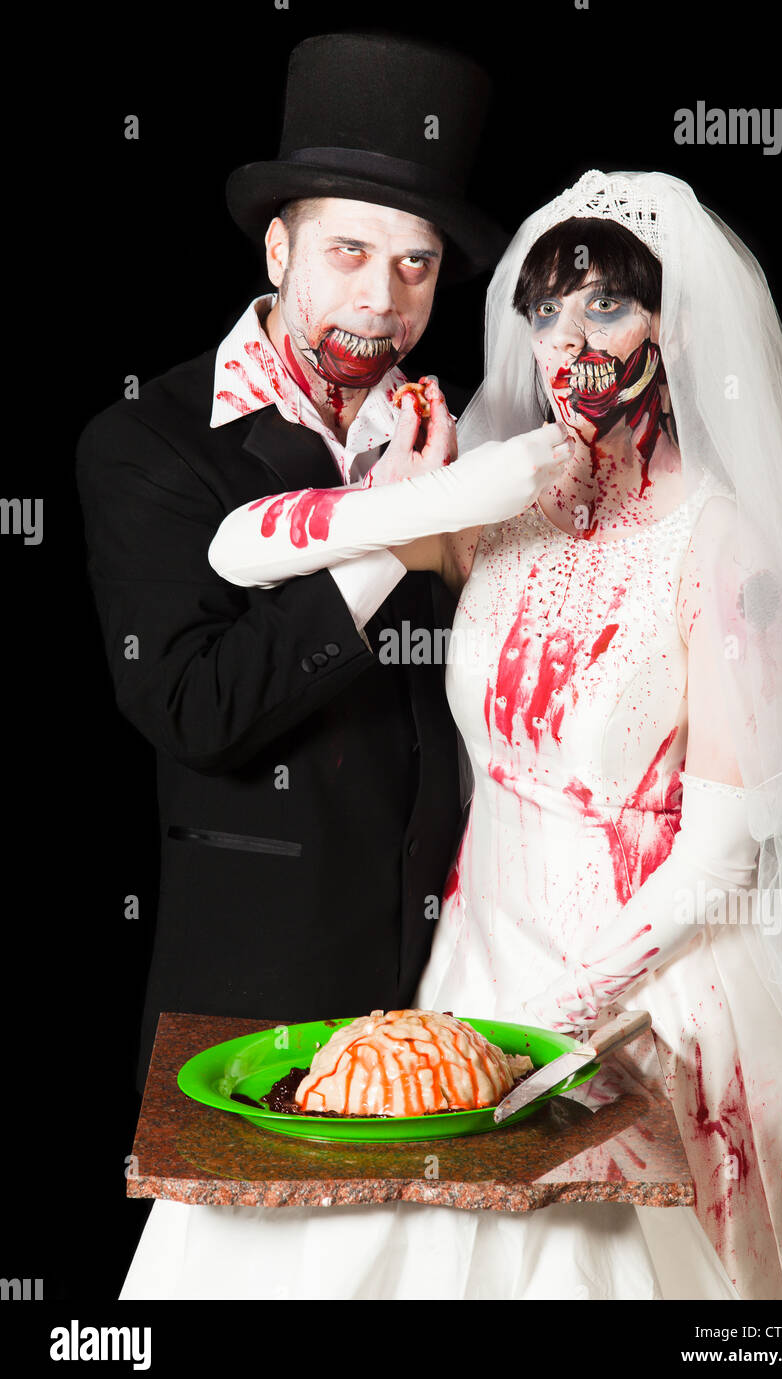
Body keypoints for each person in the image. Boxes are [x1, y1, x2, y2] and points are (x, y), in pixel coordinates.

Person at [121, 170, 782, 1301]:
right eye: (546, 308)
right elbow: (237, 549)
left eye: (608, 306)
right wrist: (438, 496)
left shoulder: (725, 551)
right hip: (465, 965)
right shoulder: (502, 506)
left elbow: (717, 859)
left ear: (677, 328)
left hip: (631, 989)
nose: (569, 339)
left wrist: (540, 1030)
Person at [75, 32, 521, 1098]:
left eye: (413, 264)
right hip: (256, 996)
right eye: (348, 253)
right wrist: (390, 530)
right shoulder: (149, 440)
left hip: (462, 993)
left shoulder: (454, 433)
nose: (381, 301)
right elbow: (194, 707)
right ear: (278, 252)